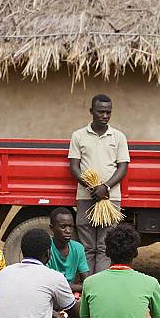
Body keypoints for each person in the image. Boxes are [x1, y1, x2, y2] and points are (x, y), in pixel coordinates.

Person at [69, 94, 130, 273]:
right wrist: (92, 187)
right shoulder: (78, 136)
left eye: (108, 112)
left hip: (110, 199)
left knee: (105, 246)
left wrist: (105, 187)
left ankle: (100, 282)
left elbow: (123, 167)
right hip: (85, 197)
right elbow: (74, 167)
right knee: (87, 246)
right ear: (91, 112)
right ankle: (88, 283)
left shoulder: (118, 137)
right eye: (100, 112)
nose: (105, 115)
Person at [47, 207, 90, 294]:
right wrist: (77, 287)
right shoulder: (47, 248)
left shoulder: (78, 248)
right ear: (52, 228)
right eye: (63, 227)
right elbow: (48, 283)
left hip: (70, 293)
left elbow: (87, 283)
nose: (68, 231)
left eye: (70, 226)